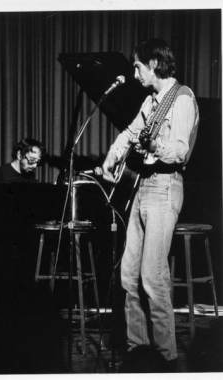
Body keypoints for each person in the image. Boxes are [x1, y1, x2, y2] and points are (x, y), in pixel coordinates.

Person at [102, 38, 199, 371]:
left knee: (152, 277)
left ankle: (165, 360)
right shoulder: (151, 100)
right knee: (129, 276)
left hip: (166, 186)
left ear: (154, 65)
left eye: (137, 66)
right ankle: (137, 353)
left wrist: (155, 143)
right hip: (144, 186)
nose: (134, 72)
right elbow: (129, 133)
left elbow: (181, 151)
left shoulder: (182, 99)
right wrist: (111, 158)